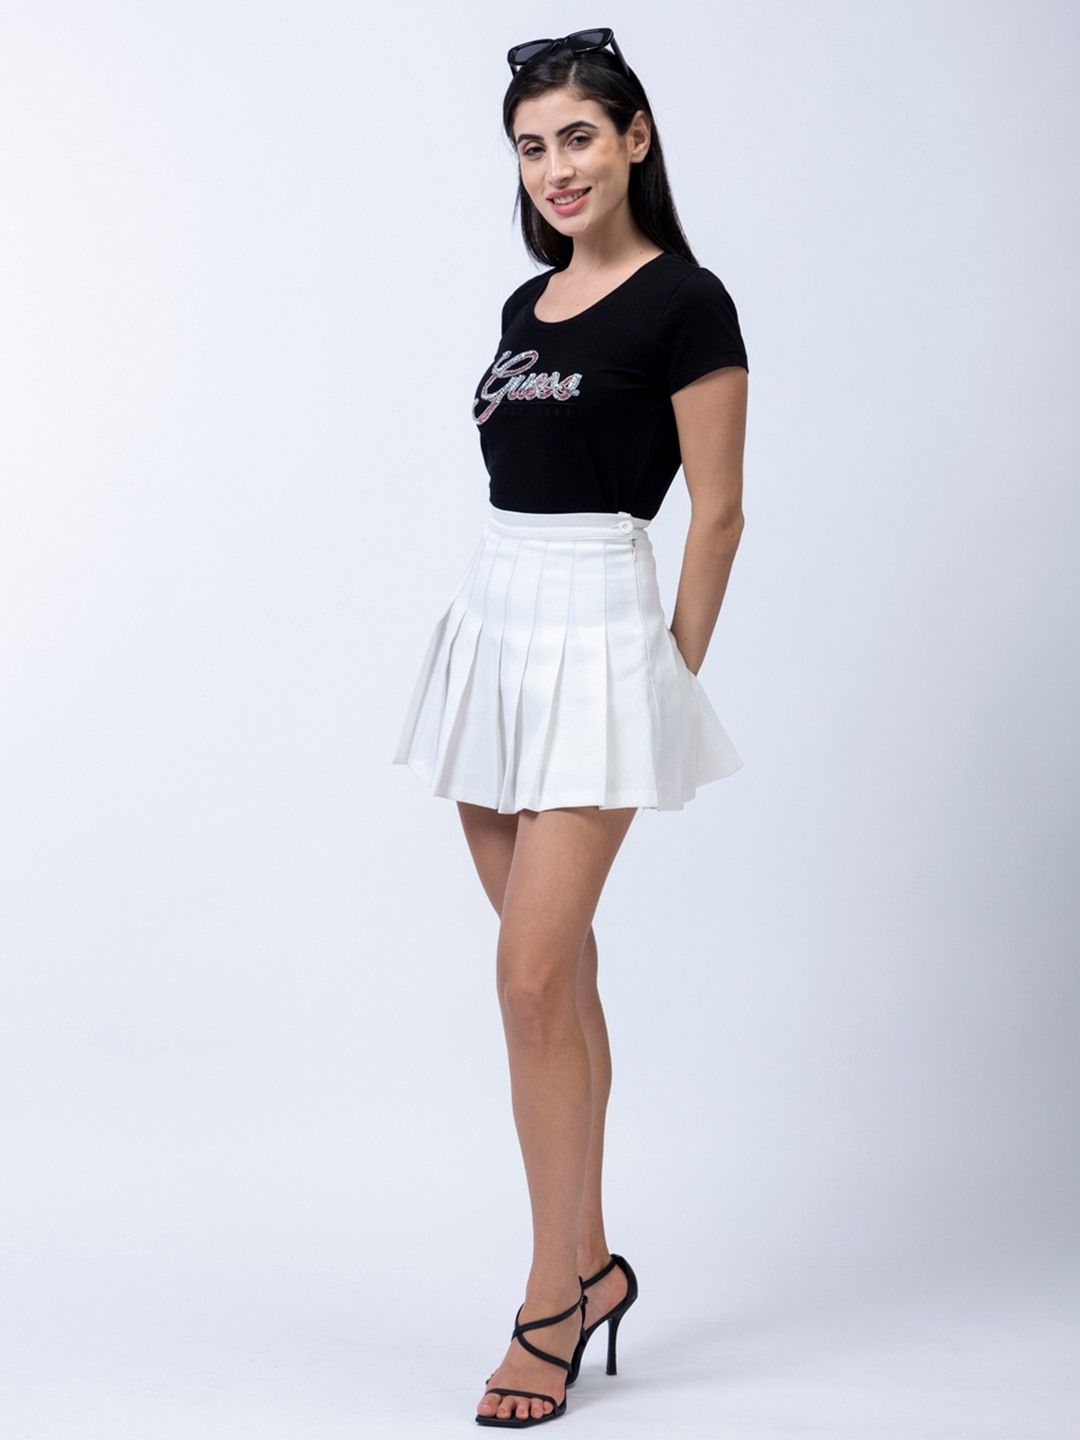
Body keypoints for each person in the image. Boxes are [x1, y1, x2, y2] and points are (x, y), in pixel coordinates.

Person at [393, 28, 749, 1429]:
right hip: (495, 621)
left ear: (635, 138)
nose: (555, 167)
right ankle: (593, 1267)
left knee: (530, 976)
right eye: (532, 146)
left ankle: (551, 1296)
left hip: (602, 626)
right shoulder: (524, 303)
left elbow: (716, 514)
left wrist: (669, 679)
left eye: (579, 138)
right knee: (558, 976)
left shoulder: (689, 303)